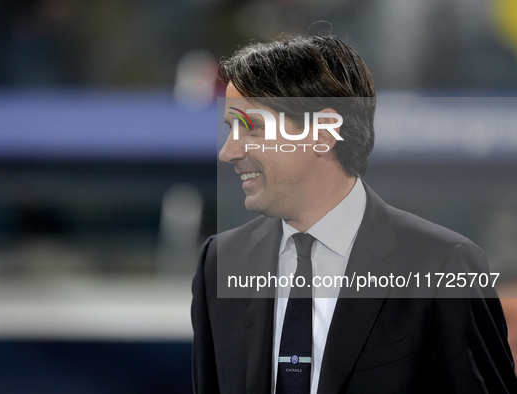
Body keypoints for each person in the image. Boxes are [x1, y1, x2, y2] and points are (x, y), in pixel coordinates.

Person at [191, 34, 517, 393]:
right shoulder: (220, 263)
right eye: (229, 129)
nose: (228, 151)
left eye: (250, 128)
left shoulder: (444, 265)